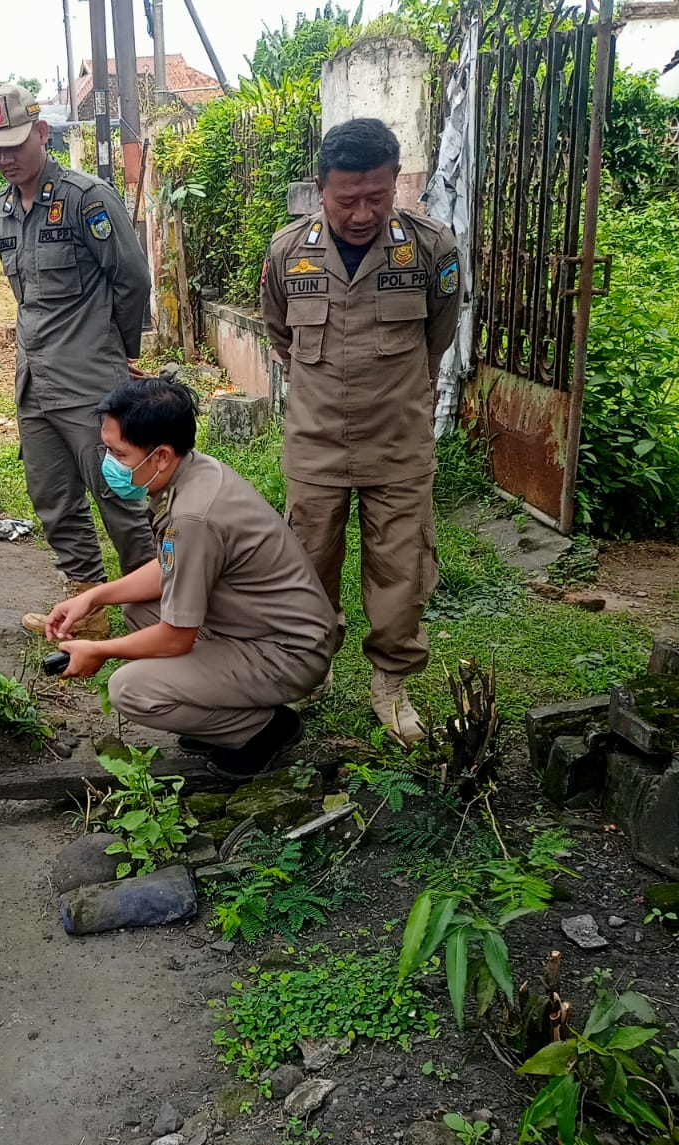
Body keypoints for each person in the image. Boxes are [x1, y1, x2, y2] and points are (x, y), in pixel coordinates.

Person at [260, 117, 460, 745]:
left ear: (395, 182)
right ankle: (310, 667)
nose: (363, 212)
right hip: (316, 442)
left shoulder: (432, 249)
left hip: (399, 442)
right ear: (321, 190)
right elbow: (281, 335)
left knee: (401, 569)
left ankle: (391, 683)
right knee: (306, 564)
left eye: (377, 196)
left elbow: (438, 337)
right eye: (347, 199)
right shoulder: (288, 252)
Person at [48, 379, 336, 780]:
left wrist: (102, 651)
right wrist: (95, 597)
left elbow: (175, 637)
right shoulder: (194, 471)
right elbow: (170, 566)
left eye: (118, 453)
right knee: (140, 608)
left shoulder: (193, 517)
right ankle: (223, 711)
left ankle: (264, 731)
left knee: (131, 689)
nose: (109, 462)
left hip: (287, 653)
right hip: (258, 631)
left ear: (161, 455)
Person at [0, 82, 155, 640]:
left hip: (90, 383)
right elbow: (24, 293)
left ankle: (156, 613)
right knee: (53, 499)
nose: (5, 158)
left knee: (119, 500)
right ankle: (89, 608)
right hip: (34, 382)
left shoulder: (86, 198)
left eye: (14, 144)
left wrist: (119, 352)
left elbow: (132, 278)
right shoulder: (2, 211)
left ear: (41, 132)